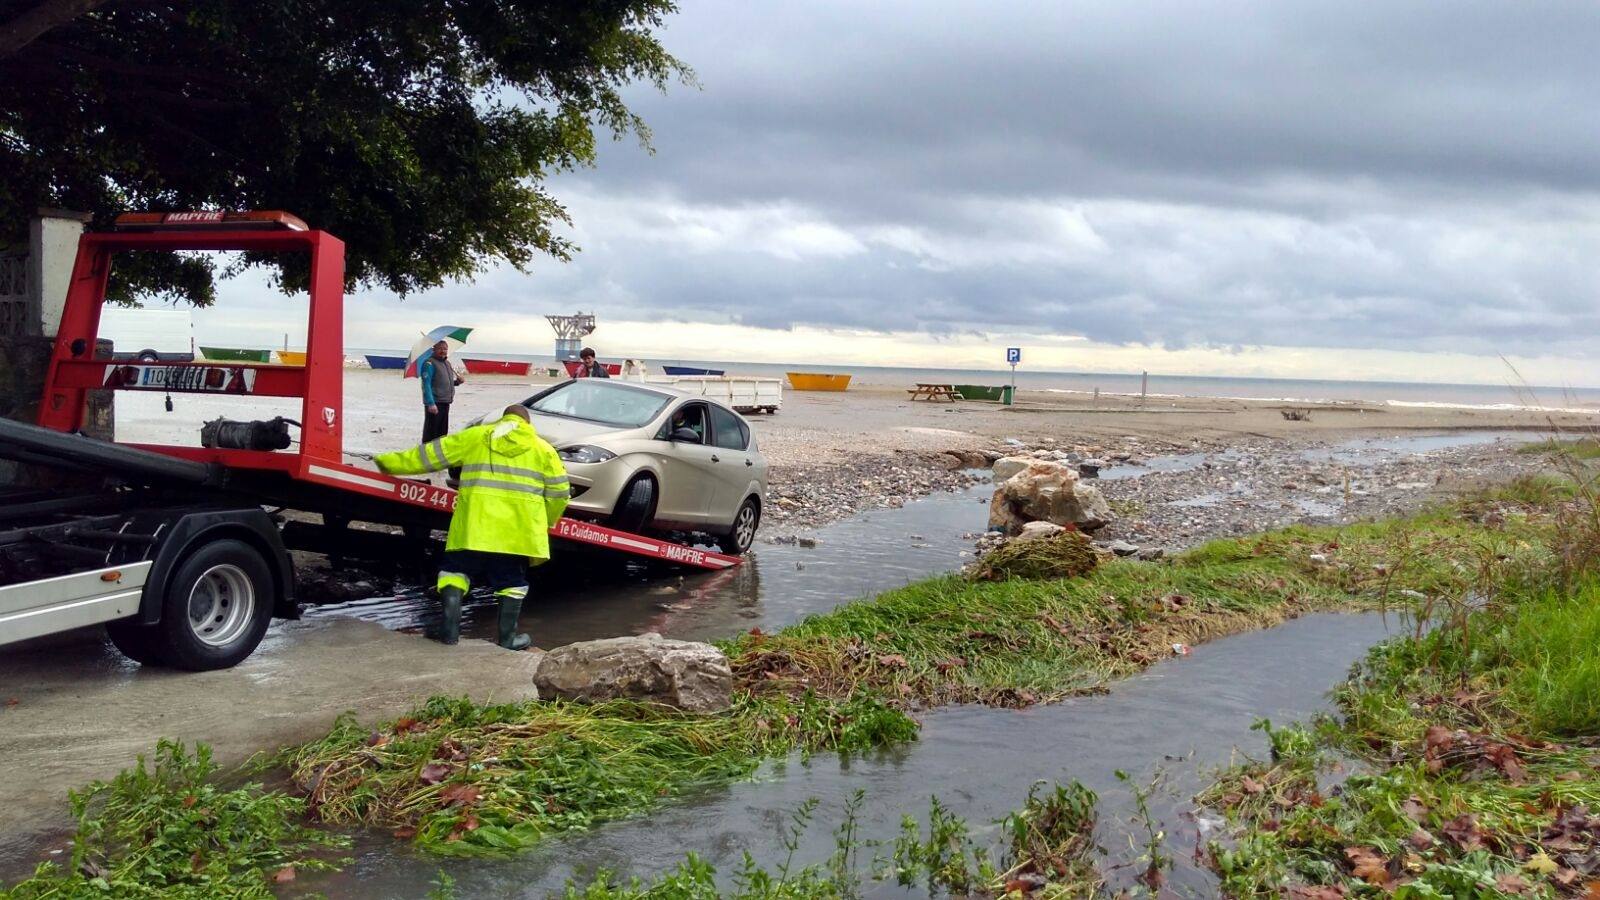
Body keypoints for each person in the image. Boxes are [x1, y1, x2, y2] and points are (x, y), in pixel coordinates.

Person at [375, 405, 569, 649]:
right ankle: (508, 639)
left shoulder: (477, 436)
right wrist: (545, 521)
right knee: (511, 583)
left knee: (454, 573)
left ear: (503, 419)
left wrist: (388, 463)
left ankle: (449, 630)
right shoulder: (545, 450)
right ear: (528, 424)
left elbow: (431, 455)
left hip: (473, 528)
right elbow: (561, 494)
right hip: (517, 534)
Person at [420, 340, 464, 443]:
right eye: (440, 348)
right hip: (435, 403)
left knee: (442, 433)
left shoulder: (447, 363)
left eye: (445, 349)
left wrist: (457, 382)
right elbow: (426, 385)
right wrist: (431, 403)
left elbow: (444, 382)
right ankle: (426, 454)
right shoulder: (429, 363)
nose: (443, 351)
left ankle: (438, 454)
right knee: (431, 432)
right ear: (433, 349)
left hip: (445, 402)